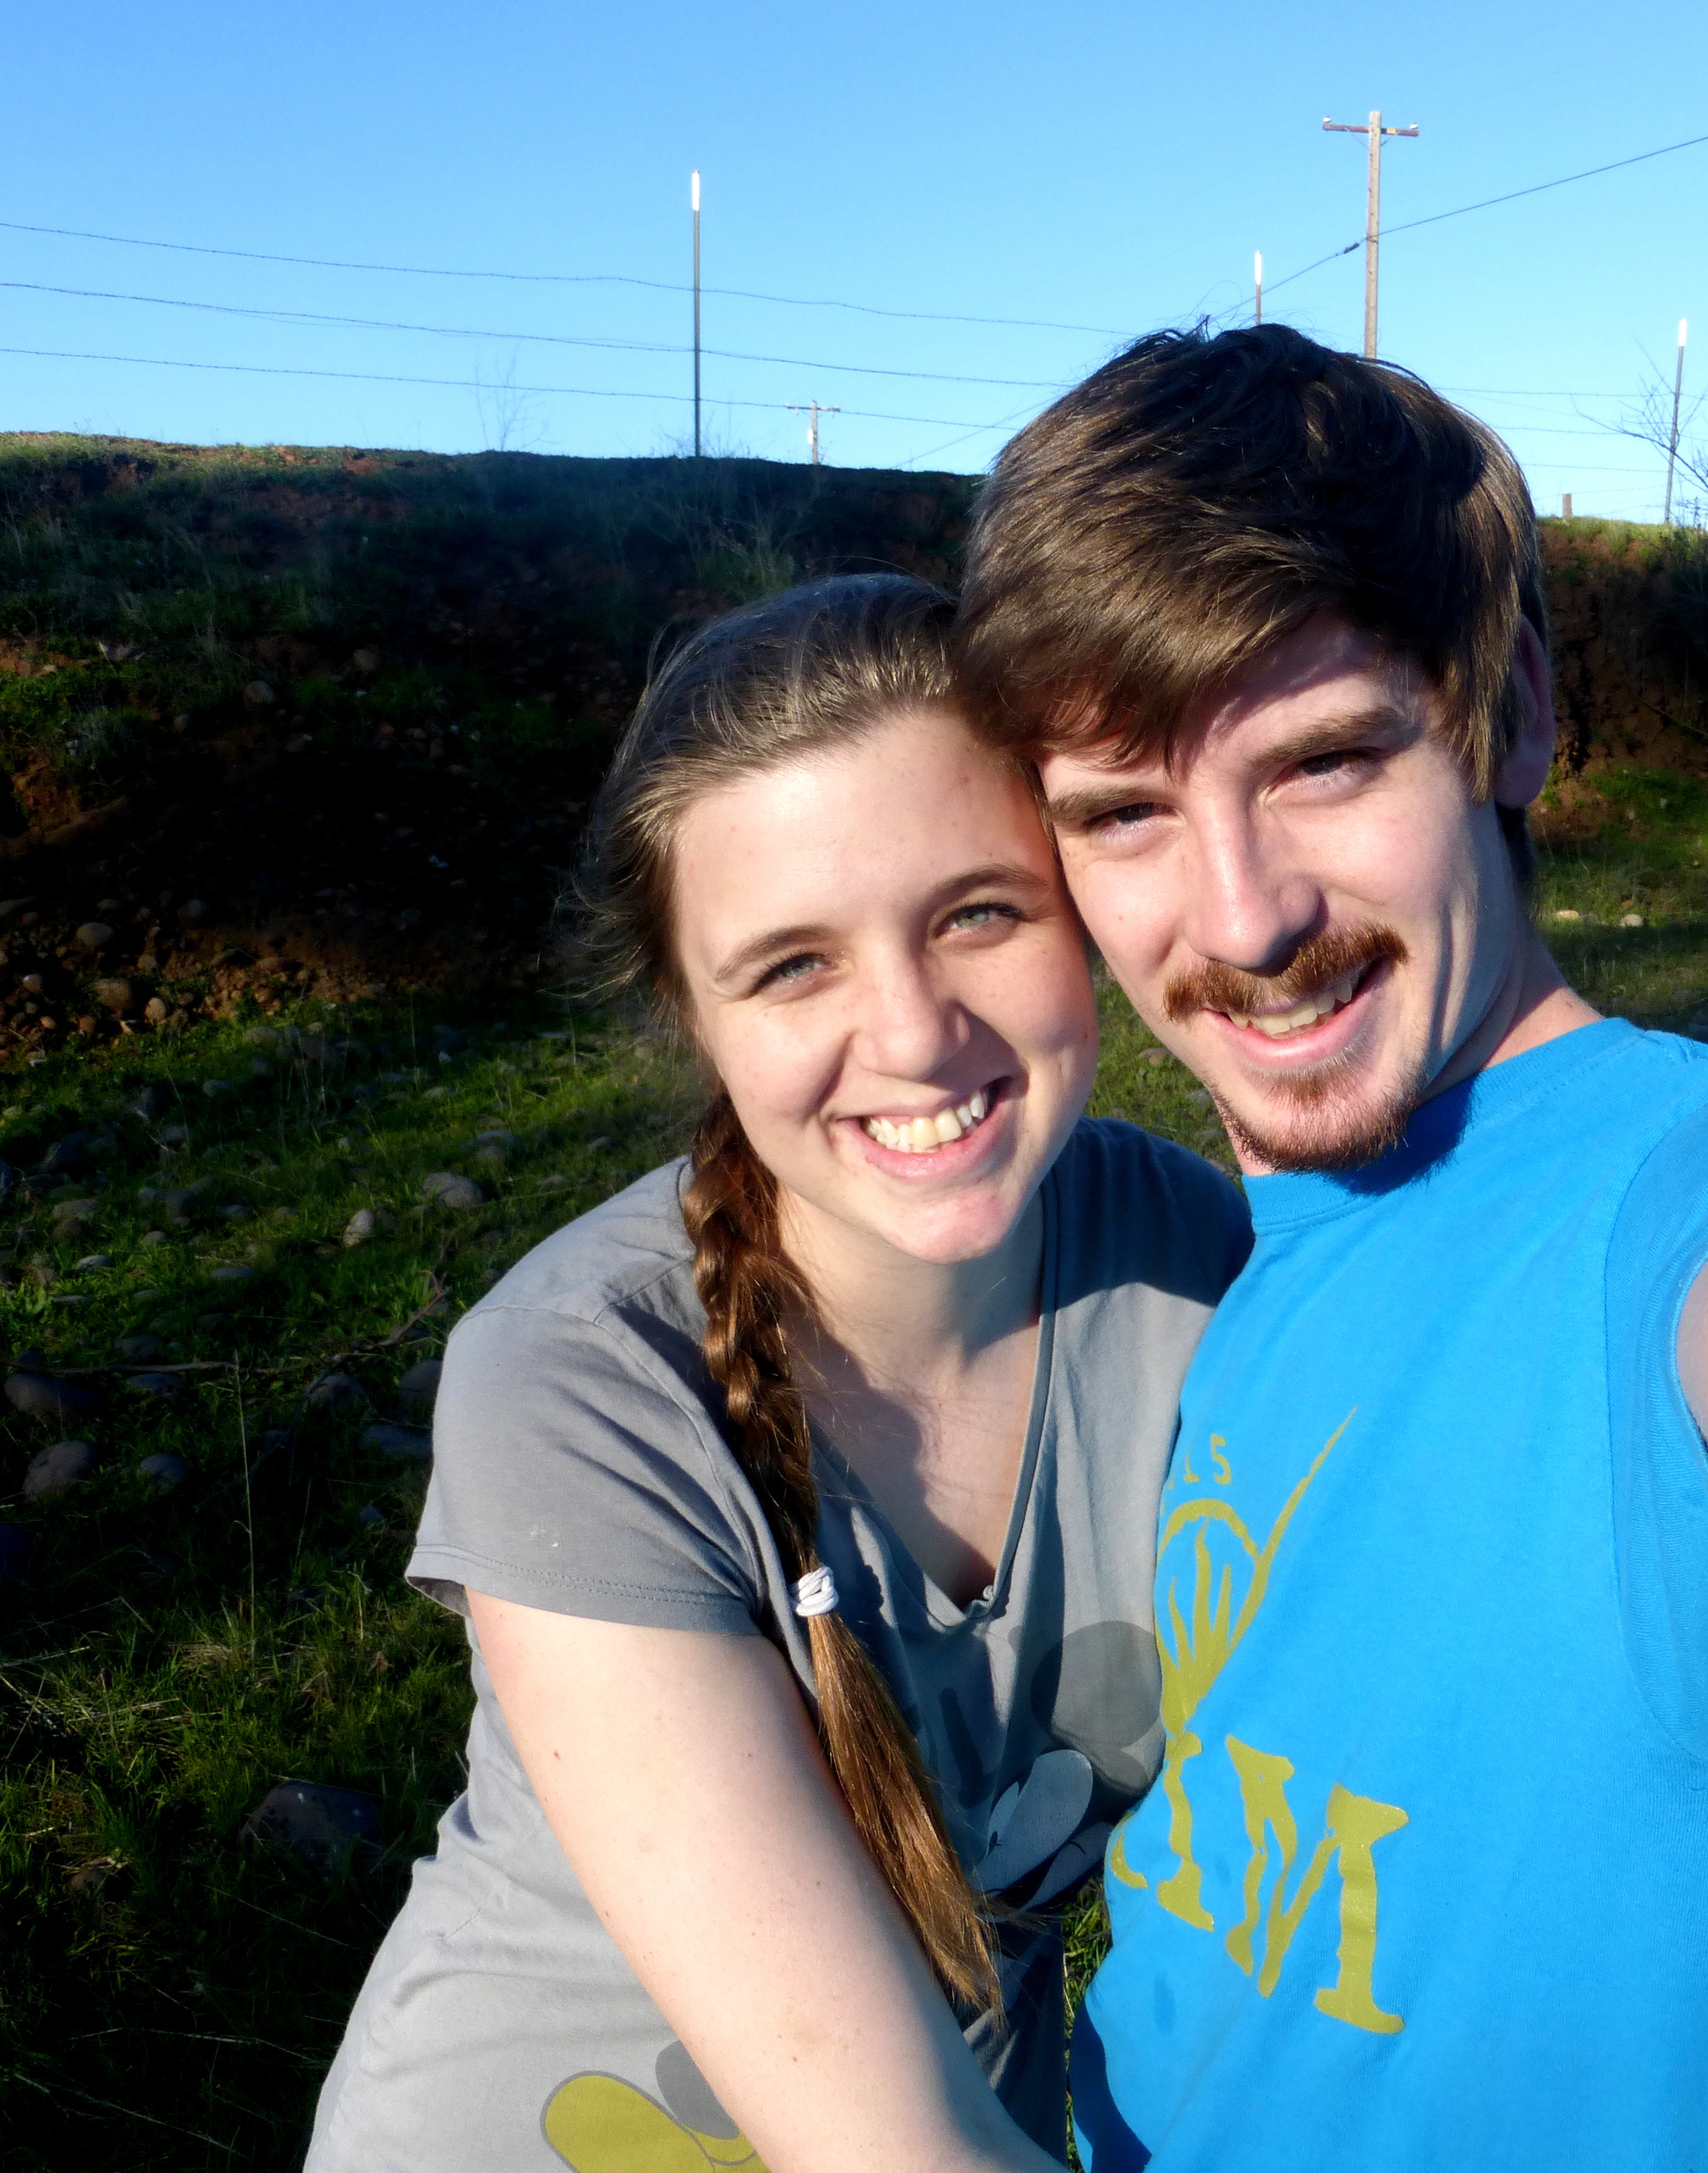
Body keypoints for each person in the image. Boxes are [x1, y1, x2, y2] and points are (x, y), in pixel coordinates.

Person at [309, 575, 1250, 2172]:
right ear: (694, 1015)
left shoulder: (1197, 1259)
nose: (913, 1032)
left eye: (978, 913)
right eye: (794, 965)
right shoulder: (578, 1386)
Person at [951, 324, 1708, 2170]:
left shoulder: (1654, 1206)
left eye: (1323, 763)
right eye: (1124, 814)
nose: (1241, 919)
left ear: (1510, 715)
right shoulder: (1211, 1249)